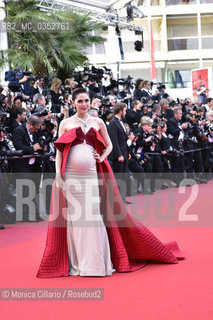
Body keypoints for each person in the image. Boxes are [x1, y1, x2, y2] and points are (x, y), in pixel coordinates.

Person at [37, 87, 184, 278]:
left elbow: (110, 145)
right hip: (71, 175)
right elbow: (58, 152)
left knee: (93, 215)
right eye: (80, 101)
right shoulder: (65, 123)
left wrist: (101, 157)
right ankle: (80, 263)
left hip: (91, 175)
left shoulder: (98, 122)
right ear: (73, 103)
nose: (84, 104)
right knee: (76, 219)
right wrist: (58, 175)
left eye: (87, 100)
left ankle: (97, 263)